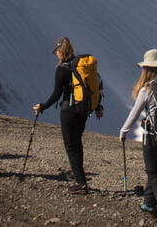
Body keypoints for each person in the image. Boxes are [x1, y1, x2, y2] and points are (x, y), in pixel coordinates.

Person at [32, 37, 103, 193]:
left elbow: (56, 94)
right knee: (77, 143)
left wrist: (42, 107)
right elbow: (96, 86)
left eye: (56, 52)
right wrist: (97, 107)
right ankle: (79, 175)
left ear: (59, 51)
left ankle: (80, 182)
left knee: (71, 146)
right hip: (84, 110)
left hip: (69, 111)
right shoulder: (81, 65)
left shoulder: (62, 69)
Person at [119, 49, 157, 227]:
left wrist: (124, 131)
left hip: (152, 136)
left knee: (154, 174)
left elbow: (134, 113)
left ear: (146, 69)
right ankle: (149, 204)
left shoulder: (147, 90)